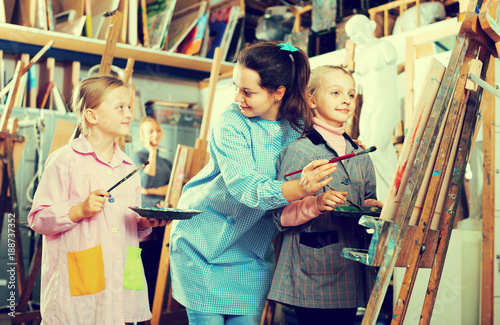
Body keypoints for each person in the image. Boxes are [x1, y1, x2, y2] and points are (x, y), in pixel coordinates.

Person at [169, 41, 338, 324]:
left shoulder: (297, 127)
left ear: (278, 93)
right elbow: (246, 187)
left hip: (252, 255)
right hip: (201, 245)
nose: (238, 97)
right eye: (236, 87)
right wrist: (298, 188)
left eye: (247, 91)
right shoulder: (230, 123)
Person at [27, 75, 167, 324]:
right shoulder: (64, 161)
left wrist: (146, 223)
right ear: (92, 116)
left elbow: (130, 227)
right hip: (78, 290)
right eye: (120, 107)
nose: (129, 114)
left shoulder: (128, 167)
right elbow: (38, 219)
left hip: (121, 283)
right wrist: (78, 210)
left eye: (129, 107)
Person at [267, 65, 383, 325]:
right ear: (311, 99)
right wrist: (316, 203)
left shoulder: (361, 154)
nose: (345, 100)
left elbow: (365, 200)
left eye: (351, 94)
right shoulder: (299, 151)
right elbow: (279, 216)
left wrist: (371, 207)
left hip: (352, 271)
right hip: (313, 275)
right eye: (335, 92)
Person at [345, 14, 400, 202]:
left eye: (357, 32)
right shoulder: (362, 54)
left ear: (368, 28)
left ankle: (399, 199)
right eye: (352, 35)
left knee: (374, 150)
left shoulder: (384, 46)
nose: (356, 38)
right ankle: (386, 203)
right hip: (369, 106)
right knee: (369, 153)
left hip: (386, 103)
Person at [132, 116, 173, 309]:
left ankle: (152, 312)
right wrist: (152, 153)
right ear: (142, 135)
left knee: (157, 270)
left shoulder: (167, 161)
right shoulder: (138, 156)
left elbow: (174, 188)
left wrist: (152, 191)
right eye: (150, 131)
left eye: (157, 130)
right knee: (140, 271)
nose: (155, 134)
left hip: (163, 222)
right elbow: (144, 183)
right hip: (143, 222)